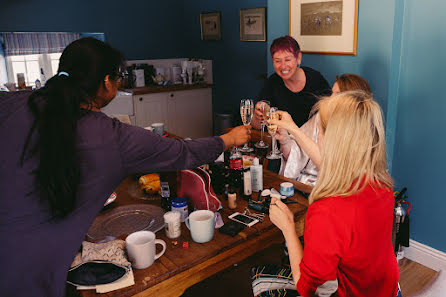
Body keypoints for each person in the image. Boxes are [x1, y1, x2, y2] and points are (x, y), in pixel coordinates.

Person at [0, 37, 249, 297]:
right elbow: (182, 153)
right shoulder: (112, 136)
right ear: (106, 82)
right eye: (118, 77)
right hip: (33, 274)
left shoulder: (11, 104)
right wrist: (227, 139)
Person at [252, 91, 399, 297]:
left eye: (318, 132)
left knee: (259, 278)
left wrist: (289, 229)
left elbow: (305, 287)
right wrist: (292, 130)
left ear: (333, 142)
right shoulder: (381, 184)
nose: (317, 137)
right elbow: (332, 165)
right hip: (386, 290)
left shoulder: (327, 211)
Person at [275, 73, 371, 186]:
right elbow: (299, 151)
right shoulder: (322, 115)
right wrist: (285, 141)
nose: (331, 98)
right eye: (332, 93)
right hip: (304, 183)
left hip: (332, 189)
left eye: (338, 94)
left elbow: (333, 171)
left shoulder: (360, 130)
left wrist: (293, 128)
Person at [251, 35, 331, 130]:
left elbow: (331, 117)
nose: (283, 66)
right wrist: (257, 116)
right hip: (282, 142)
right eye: (278, 61)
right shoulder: (272, 83)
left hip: (311, 142)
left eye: (288, 60)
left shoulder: (316, 80)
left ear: (298, 58)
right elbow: (257, 126)